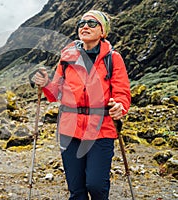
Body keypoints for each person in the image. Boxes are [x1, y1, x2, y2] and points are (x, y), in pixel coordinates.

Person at [32, 10, 131, 199]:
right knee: (76, 190)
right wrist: (45, 84)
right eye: (81, 23)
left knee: (96, 186)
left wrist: (119, 106)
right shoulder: (67, 58)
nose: (85, 26)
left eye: (92, 23)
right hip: (69, 130)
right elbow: (56, 94)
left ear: (103, 32)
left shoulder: (113, 59)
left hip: (101, 129)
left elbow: (122, 92)